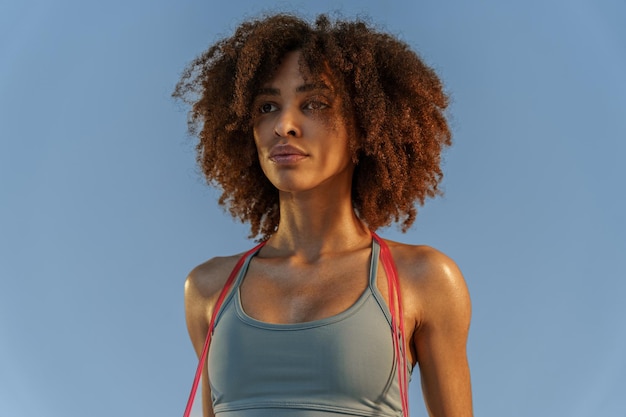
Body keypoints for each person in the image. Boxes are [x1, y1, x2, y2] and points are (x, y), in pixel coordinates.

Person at [174, 13, 472, 417]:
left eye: (314, 103)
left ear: (365, 124)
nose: (284, 125)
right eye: (267, 106)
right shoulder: (209, 289)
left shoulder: (423, 279)